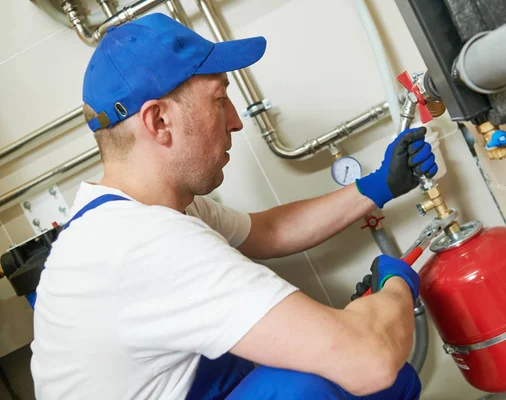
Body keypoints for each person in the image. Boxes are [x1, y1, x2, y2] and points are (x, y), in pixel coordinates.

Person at [30, 13, 437, 400]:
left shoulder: (142, 212)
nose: (236, 121)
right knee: (321, 382)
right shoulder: (143, 246)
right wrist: (396, 286)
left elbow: (269, 231)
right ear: (158, 122)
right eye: (219, 99)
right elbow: (371, 361)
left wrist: (377, 186)